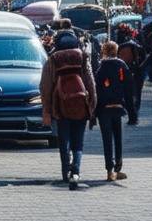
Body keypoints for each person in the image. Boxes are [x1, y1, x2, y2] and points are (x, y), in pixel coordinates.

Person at [40, 25, 96, 189]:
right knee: (78, 143)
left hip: (60, 106)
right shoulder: (82, 56)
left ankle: (66, 173)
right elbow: (90, 82)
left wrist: (47, 109)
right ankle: (76, 171)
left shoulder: (53, 59)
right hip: (80, 105)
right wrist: (92, 105)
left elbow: (45, 85)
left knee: (63, 141)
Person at [94, 41, 133, 181]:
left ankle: (109, 171)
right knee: (118, 138)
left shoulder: (100, 67)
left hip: (103, 108)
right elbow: (129, 87)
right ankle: (118, 168)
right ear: (116, 51)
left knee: (107, 139)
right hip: (118, 107)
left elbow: (95, 88)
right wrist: (130, 109)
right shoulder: (122, 65)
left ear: (104, 51)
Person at [114, 24, 144, 125]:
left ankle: (133, 116)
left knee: (128, 96)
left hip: (126, 72)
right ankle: (135, 114)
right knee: (136, 94)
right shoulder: (136, 43)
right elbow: (143, 56)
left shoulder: (121, 46)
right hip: (136, 71)